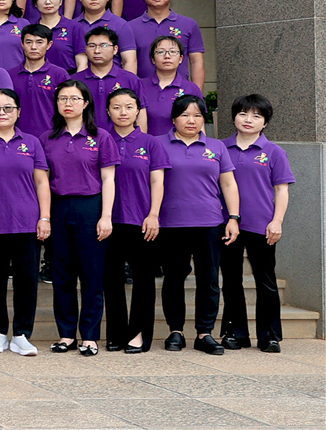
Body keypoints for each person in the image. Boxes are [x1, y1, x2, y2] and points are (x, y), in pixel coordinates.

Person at [156, 94, 239, 355]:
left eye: (197, 115)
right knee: (173, 278)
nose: (191, 120)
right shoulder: (158, 144)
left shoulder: (216, 147)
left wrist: (234, 217)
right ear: (174, 119)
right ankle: (175, 331)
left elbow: (228, 183)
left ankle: (205, 333)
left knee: (209, 279)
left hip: (210, 222)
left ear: (204, 119)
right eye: (185, 115)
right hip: (171, 223)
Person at [0, 88, 50, 356]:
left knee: (27, 280)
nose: (2, 113)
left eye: (8, 108)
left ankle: (22, 334)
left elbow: (41, 181)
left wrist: (44, 217)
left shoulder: (32, 142)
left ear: (18, 112)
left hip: (27, 222)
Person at [43, 81, 116, 355]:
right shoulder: (47, 138)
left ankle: (90, 336)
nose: (68, 104)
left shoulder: (101, 137)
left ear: (86, 103)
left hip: (91, 207)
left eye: (74, 98)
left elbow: (108, 179)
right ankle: (66, 334)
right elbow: (42, 180)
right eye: (63, 99)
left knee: (91, 274)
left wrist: (106, 216)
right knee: (61, 274)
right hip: (58, 206)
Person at [220, 93, 291, 352]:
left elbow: (281, 190)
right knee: (231, 280)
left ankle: (269, 335)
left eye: (256, 116)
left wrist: (277, 221)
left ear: (265, 122)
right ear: (234, 117)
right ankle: (235, 332)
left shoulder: (274, 152)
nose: (248, 119)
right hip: (227, 224)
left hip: (262, 225)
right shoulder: (220, 148)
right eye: (243, 114)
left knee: (266, 281)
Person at [102, 87, 166, 353]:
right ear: (108, 111)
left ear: (138, 111)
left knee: (144, 279)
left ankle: (138, 333)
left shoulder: (151, 143)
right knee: (111, 279)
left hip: (142, 220)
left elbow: (157, 181)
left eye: (129, 107)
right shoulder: (101, 139)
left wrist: (154, 214)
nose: (123, 112)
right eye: (116, 107)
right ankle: (116, 333)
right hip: (108, 221)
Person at [138, 36, 204, 135]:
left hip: (181, 144)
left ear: (181, 58)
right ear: (152, 59)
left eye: (173, 52)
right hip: (149, 143)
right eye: (161, 52)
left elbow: (199, 124)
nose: (167, 56)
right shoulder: (139, 86)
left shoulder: (191, 88)